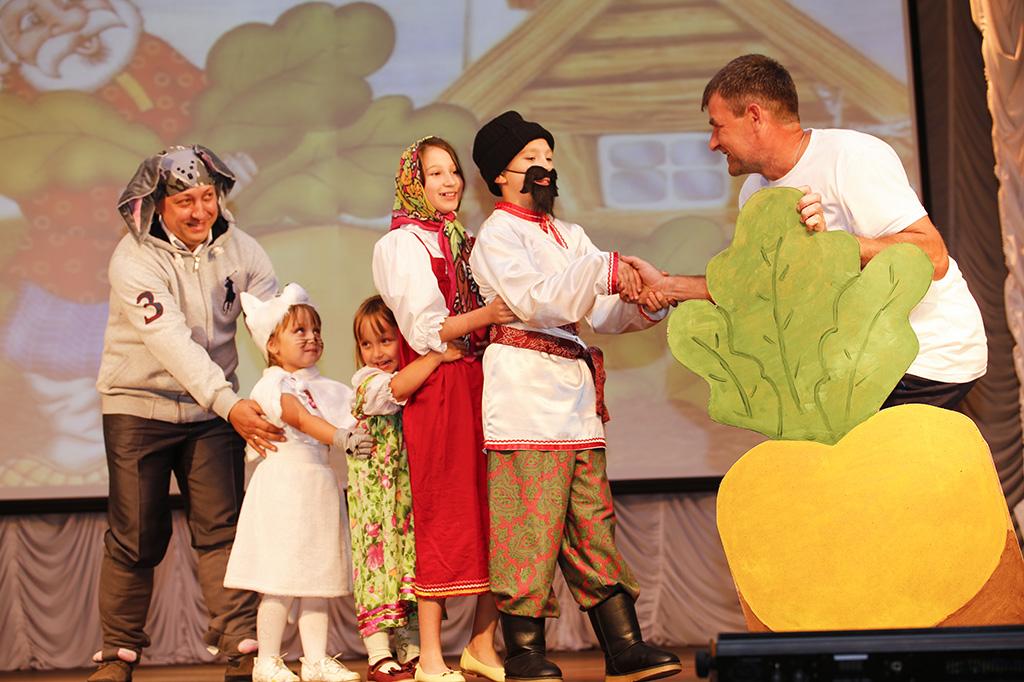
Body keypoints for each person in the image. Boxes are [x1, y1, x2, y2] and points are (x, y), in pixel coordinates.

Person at [636, 53, 987, 410]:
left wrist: (829, 247)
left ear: (755, 116)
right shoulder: (754, 193)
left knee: (846, 443)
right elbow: (757, 287)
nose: (712, 142)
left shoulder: (851, 156)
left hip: (925, 359)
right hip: (857, 361)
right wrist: (669, 286)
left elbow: (932, 256)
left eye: (718, 126)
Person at [468, 110, 682, 682]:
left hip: (575, 401)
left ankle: (624, 647)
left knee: (593, 522)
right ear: (499, 174)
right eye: (530, 159)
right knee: (528, 525)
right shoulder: (497, 235)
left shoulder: (570, 235)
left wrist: (647, 300)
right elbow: (538, 300)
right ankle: (525, 653)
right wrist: (605, 270)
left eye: (549, 158)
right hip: (525, 397)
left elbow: (602, 310)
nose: (544, 168)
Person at [92, 145, 285, 682]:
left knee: (223, 530)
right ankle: (117, 654)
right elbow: (171, 343)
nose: (200, 211)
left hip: (210, 415)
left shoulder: (242, 250)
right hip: (139, 408)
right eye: (184, 202)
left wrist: (293, 382)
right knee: (134, 536)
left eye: (207, 197)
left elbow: (269, 323)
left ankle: (241, 650)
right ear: (157, 205)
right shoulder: (133, 259)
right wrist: (229, 403)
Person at [372, 137, 516, 682]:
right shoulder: (401, 244)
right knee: (444, 512)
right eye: (435, 173)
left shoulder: (464, 239)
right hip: (440, 391)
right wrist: (489, 314)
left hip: (481, 379)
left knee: (493, 512)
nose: (449, 181)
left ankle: (482, 643)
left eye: (453, 171)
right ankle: (430, 656)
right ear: (414, 182)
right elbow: (426, 329)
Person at [224, 283, 366, 682]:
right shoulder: (273, 384)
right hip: (285, 488)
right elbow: (299, 417)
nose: (312, 337)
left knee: (317, 579)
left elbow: (355, 415)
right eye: (299, 331)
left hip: (318, 486)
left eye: (316, 330)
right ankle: (267, 660)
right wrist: (340, 437)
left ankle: (315, 660)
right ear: (271, 344)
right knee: (281, 577)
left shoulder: (327, 387)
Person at [349, 295, 466, 681]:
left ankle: (414, 650)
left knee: (410, 571)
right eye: (367, 343)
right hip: (375, 503)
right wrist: (436, 355)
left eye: (385, 340)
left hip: (405, 501)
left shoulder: (414, 375)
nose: (376, 352)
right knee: (377, 569)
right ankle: (378, 654)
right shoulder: (367, 380)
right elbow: (395, 390)